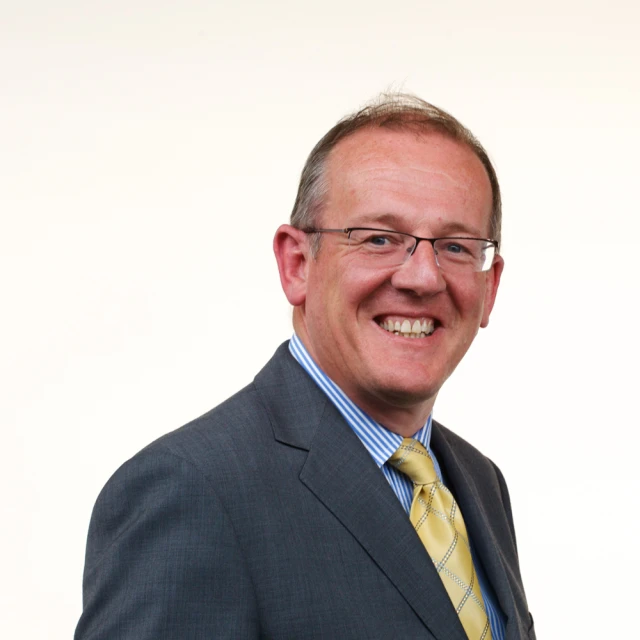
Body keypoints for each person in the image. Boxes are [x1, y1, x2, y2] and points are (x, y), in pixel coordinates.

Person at [75, 93, 535, 640]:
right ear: (297, 264)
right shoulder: (192, 491)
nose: (422, 278)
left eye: (456, 247)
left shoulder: (478, 483)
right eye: (379, 239)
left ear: (489, 287)